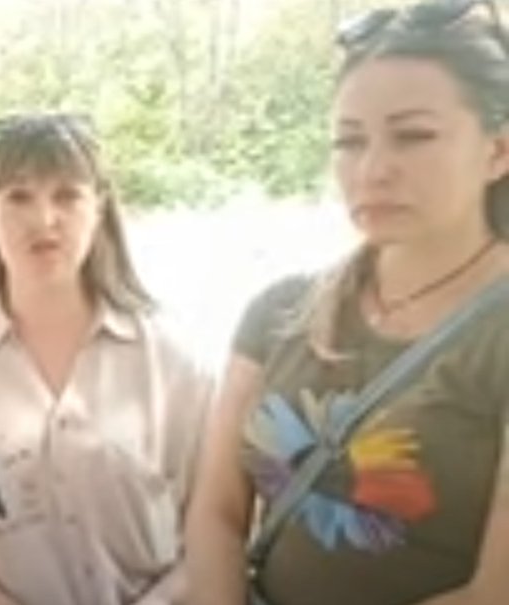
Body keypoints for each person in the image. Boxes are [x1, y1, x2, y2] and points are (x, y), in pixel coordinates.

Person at [186, 2, 509, 604]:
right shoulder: (279, 312)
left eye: (413, 136)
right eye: (349, 140)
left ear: (498, 151)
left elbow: (494, 592)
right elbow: (217, 514)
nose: (373, 169)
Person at [0, 112, 216, 605]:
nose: (44, 219)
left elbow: (221, 524)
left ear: (99, 208)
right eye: (19, 197)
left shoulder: (171, 362)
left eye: (67, 195)